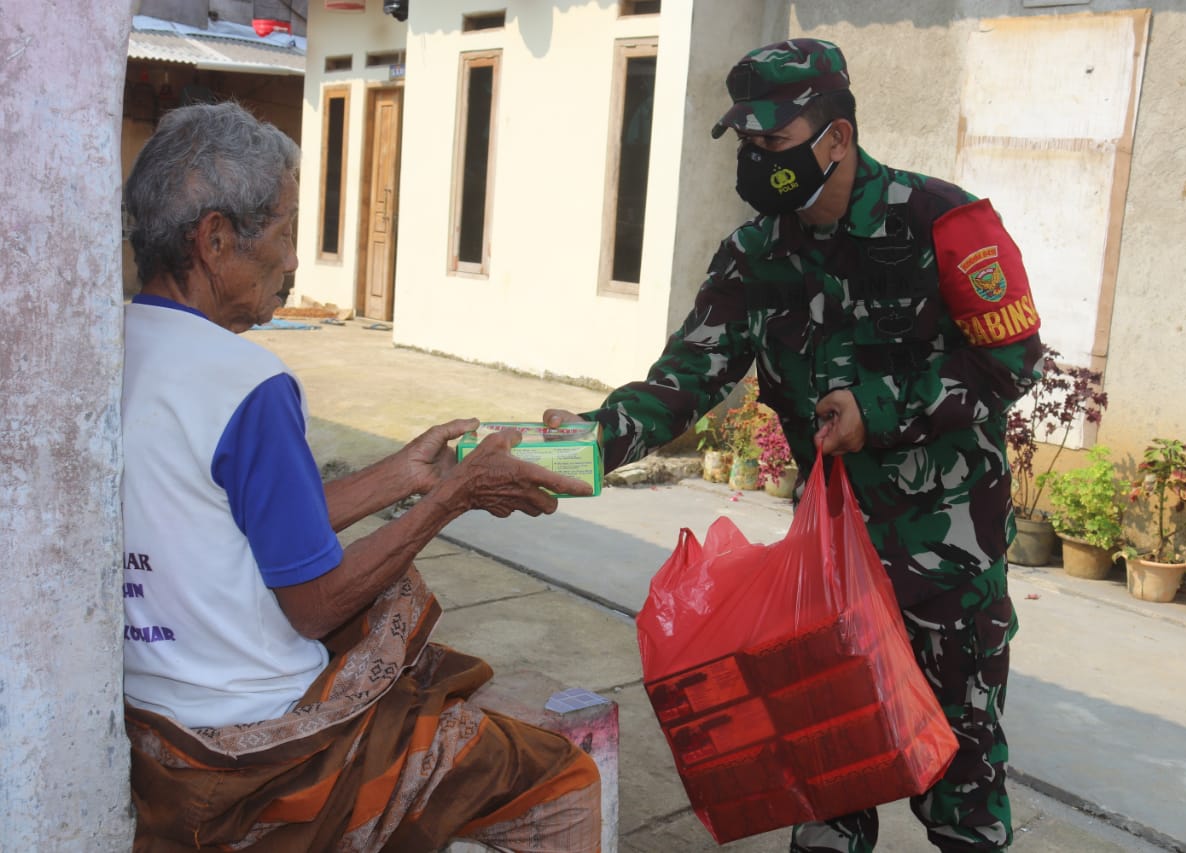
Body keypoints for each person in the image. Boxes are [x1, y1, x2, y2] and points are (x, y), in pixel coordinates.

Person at [545, 39, 1044, 852]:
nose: (757, 160)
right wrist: (590, 443)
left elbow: (1011, 361)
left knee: (964, 788)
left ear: (836, 138)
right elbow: (687, 377)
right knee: (829, 773)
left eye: (773, 142)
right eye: (747, 143)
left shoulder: (943, 224)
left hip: (943, 558)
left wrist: (876, 410)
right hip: (830, 563)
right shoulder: (756, 255)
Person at [121, 102, 601, 852]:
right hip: (256, 750)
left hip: (155, 724)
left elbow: (231, 524)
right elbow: (313, 606)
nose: (292, 262)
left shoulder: (119, 342)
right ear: (214, 240)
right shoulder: (245, 381)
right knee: (563, 780)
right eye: (282, 233)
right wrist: (451, 498)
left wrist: (401, 476)